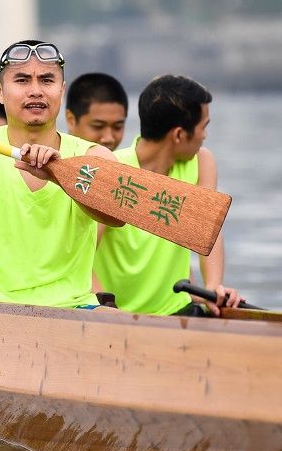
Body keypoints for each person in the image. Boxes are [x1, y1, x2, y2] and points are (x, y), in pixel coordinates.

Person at [0, 40, 122, 309]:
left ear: (61, 90)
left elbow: (118, 218)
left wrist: (61, 177)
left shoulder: (94, 157)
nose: (35, 91)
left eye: (46, 80)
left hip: (72, 308)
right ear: (0, 90)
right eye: (21, 80)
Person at [93, 75, 241, 315]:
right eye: (203, 127)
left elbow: (209, 232)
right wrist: (105, 309)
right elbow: (82, 255)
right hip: (117, 315)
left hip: (178, 311)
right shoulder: (112, 170)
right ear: (179, 135)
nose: (205, 136)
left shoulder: (202, 163)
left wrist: (213, 288)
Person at [65, 72, 128, 151]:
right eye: (98, 126)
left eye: (117, 127)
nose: (109, 139)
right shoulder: (47, 160)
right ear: (71, 120)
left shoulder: (129, 163)